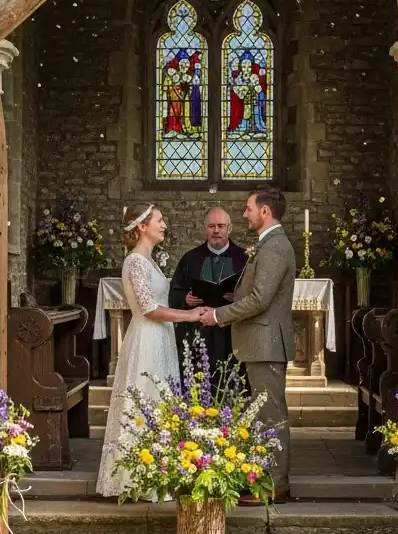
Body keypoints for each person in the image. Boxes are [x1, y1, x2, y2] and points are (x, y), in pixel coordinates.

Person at [96, 203, 207, 498]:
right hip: (147, 339)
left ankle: (158, 471)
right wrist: (189, 316)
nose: (164, 224)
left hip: (160, 338)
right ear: (142, 226)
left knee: (160, 403)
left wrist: (188, 303)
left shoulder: (149, 260)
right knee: (144, 401)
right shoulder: (134, 262)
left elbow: (158, 298)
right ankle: (135, 479)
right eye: (159, 220)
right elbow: (147, 308)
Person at [199, 186, 295, 501]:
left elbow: (260, 299)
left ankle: (275, 486)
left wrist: (218, 315)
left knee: (270, 414)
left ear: (265, 211)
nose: (244, 214)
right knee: (262, 413)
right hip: (259, 341)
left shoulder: (274, 247)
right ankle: (263, 478)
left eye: (249, 208)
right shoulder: (268, 244)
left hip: (265, 341)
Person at [169, 207, 248, 378]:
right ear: (206, 229)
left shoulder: (244, 258)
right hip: (200, 329)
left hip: (231, 330)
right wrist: (185, 298)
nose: (216, 231)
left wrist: (238, 297)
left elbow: (255, 295)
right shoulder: (190, 258)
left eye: (221, 226)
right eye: (211, 226)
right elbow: (174, 291)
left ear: (229, 229)